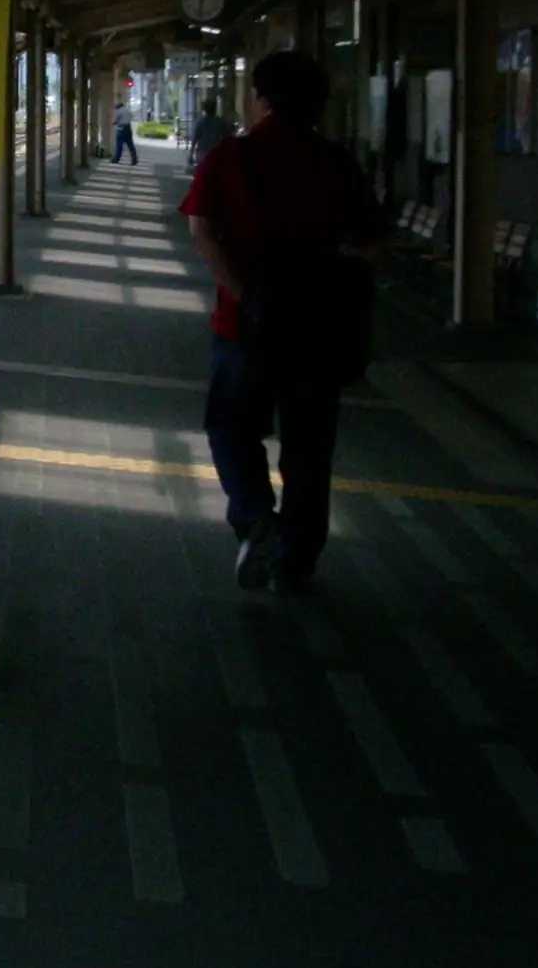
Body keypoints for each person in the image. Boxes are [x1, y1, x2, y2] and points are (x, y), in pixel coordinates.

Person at [178, 50, 389, 593]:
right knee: (309, 448)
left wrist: (246, 293)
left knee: (230, 424)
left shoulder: (230, 157)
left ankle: (253, 515)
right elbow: (372, 243)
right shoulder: (337, 163)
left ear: (263, 98)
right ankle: (295, 564)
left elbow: (201, 229)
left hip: (244, 325)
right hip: (318, 330)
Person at [189, 96, 232, 167]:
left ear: (205, 110)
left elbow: (195, 139)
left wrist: (191, 154)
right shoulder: (221, 122)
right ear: (215, 109)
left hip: (202, 153)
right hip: (217, 153)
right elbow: (228, 138)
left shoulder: (200, 122)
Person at [111, 97, 138, 165]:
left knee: (119, 145)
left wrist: (114, 123)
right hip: (128, 128)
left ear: (118, 107)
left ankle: (116, 159)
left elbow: (115, 121)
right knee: (130, 145)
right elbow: (131, 117)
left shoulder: (119, 111)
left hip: (121, 128)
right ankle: (134, 159)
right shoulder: (127, 110)